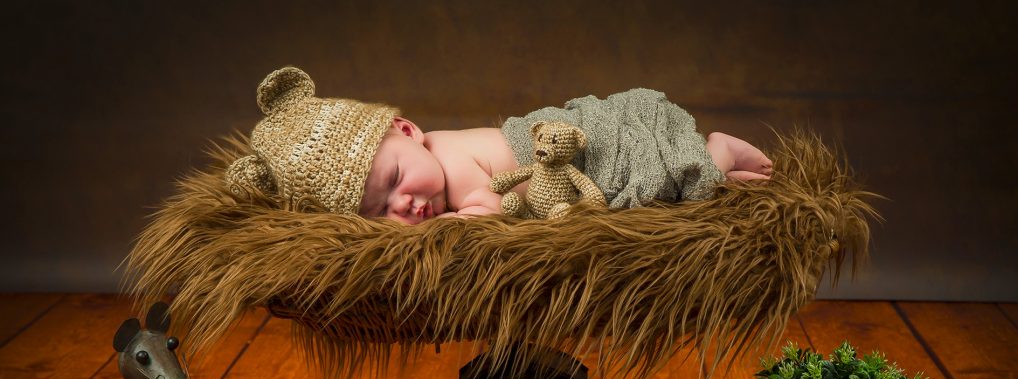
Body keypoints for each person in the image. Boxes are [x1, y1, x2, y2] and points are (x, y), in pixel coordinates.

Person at [226, 67, 773, 225]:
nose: (402, 205)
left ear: (409, 131)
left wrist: (451, 227)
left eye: (394, 181)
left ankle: (716, 153)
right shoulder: (428, 164)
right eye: (378, 211)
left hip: (588, 153)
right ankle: (725, 177)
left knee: (650, 184)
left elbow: (487, 213)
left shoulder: (453, 161)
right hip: (564, 161)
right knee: (668, 201)